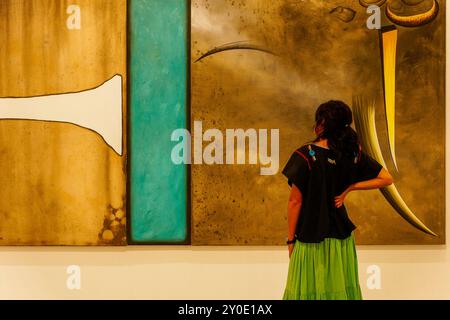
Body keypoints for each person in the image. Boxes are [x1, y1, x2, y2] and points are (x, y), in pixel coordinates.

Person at [281, 100, 393, 300]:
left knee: (309, 292)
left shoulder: (305, 155)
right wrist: (351, 187)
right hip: (341, 237)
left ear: (322, 122)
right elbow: (386, 178)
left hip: (310, 238)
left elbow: (294, 202)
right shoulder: (352, 153)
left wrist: (290, 240)